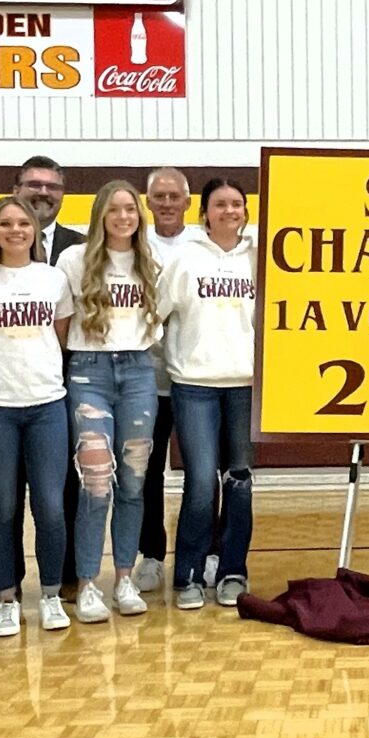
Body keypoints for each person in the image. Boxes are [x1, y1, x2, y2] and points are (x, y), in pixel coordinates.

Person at [0, 155, 86, 609]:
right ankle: (7, 590)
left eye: (23, 225)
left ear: (34, 231)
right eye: (7, 223)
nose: (16, 230)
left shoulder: (55, 278)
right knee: (2, 506)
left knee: (52, 507)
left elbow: (62, 340)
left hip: (46, 406)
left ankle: (52, 591)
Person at [57, 181, 163, 622]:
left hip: (139, 371)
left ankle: (123, 579)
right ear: (100, 214)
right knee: (95, 482)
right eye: (115, 209)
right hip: (89, 371)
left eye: (131, 210)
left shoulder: (152, 262)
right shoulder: (73, 259)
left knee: (134, 482)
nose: (124, 217)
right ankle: (86, 584)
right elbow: (61, 327)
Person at [158, 178, 258, 609]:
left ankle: (233, 570)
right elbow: (154, 318)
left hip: (246, 387)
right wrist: (176, 361)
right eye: (220, 204)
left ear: (245, 211)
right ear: (205, 212)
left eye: (237, 204)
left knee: (239, 482)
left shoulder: (260, 258)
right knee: (200, 483)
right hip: (194, 386)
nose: (229, 211)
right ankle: (189, 575)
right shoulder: (184, 259)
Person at [131, 167, 193, 595]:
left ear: (188, 203)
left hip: (194, 378)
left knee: (204, 473)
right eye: (159, 196)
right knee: (146, 473)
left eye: (175, 196)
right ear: (147, 202)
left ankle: (202, 552)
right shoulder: (133, 246)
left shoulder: (204, 246)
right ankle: (150, 555)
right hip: (146, 380)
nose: (167, 203)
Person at [0, 155, 86, 267]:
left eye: (52, 187)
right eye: (35, 185)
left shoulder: (82, 245)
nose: (44, 192)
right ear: (16, 191)